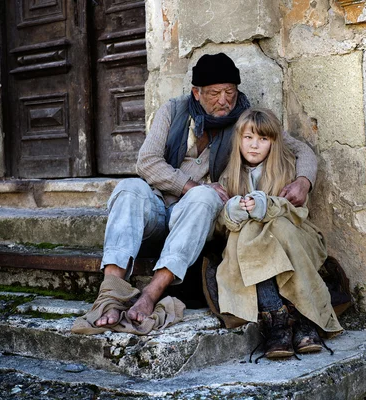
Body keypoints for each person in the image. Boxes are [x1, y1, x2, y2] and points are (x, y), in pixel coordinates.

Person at [91, 53, 318, 328]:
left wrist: (304, 181)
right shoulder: (173, 111)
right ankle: (110, 295)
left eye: (229, 92)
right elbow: (147, 162)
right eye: (214, 93)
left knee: (204, 195)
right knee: (129, 187)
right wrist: (188, 185)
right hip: (159, 209)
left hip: (200, 218)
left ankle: (151, 294)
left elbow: (300, 149)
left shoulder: (245, 120)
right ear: (196, 93)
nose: (223, 101)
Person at [216, 108, 343, 359]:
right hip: (251, 248)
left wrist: (267, 206)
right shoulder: (229, 176)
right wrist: (233, 210)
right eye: (248, 138)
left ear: (274, 142)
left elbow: (297, 215)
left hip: (292, 237)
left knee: (277, 229)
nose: (254, 146)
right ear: (238, 139)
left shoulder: (286, 169)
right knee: (248, 234)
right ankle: (277, 320)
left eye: (263, 139)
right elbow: (221, 222)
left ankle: (303, 315)